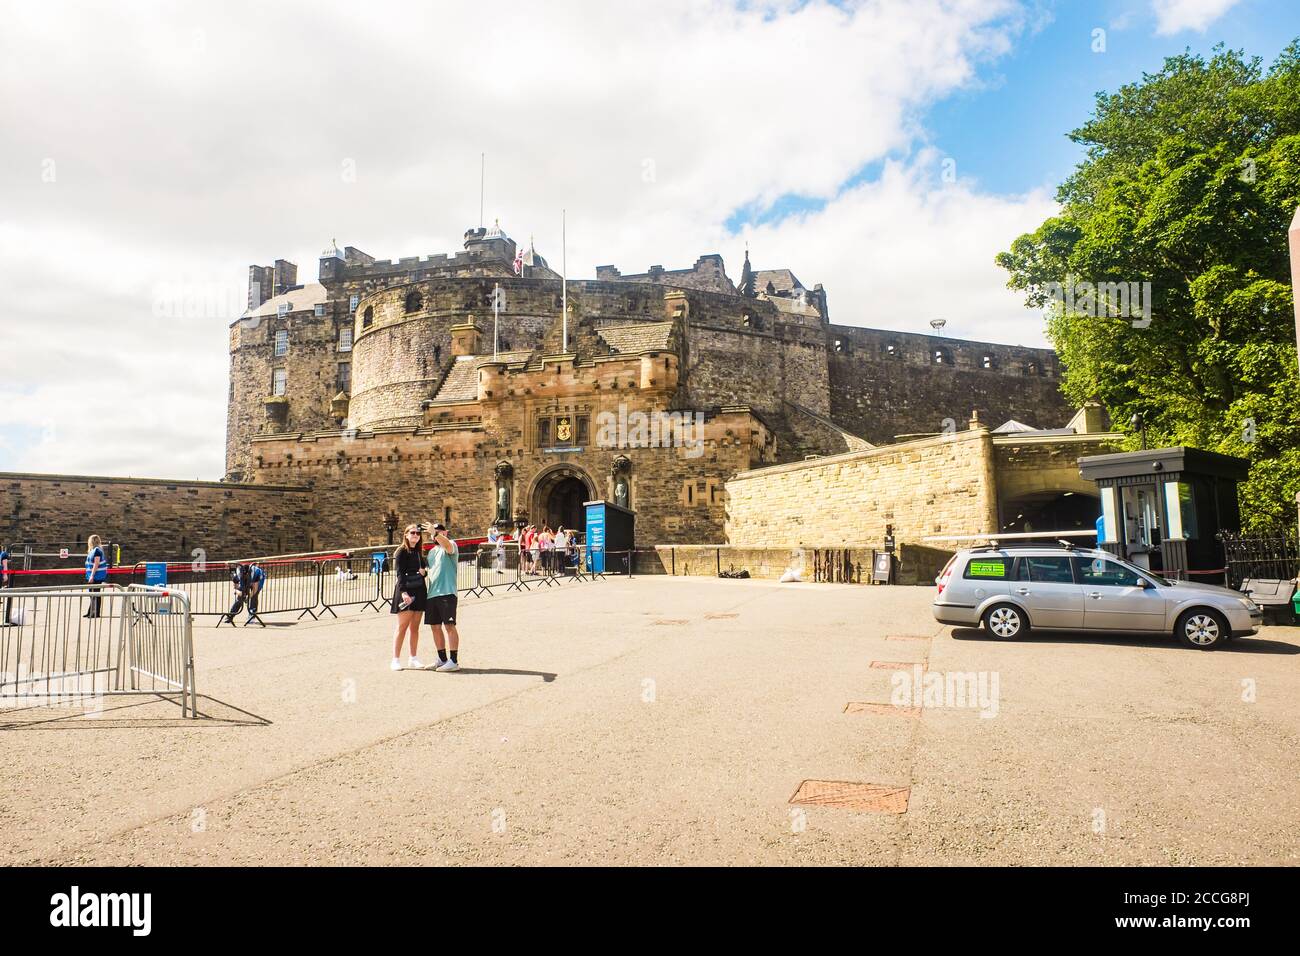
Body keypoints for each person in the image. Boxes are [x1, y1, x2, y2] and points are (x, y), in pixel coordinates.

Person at [424, 522, 461, 672]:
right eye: (434, 531)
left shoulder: (451, 545)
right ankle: (442, 658)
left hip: (447, 592)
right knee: (435, 627)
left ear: (445, 532)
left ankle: (454, 661)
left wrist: (435, 533)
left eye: (439, 531)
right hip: (432, 593)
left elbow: (447, 545)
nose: (436, 534)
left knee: (449, 626)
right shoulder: (432, 552)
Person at [389, 524, 427, 670]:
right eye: (412, 533)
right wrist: (404, 593)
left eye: (418, 533)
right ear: (406, 534)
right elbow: (399, 574)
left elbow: (423, 570)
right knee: (402, 627)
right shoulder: (401, 552)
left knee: (415, 628)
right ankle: (395, 659)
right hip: (406, 591)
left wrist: (424, 573)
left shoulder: (418, 552)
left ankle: (413, 658)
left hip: (419, 590)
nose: (416, 535)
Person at [227, 561, 266, 625]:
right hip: (244, 580)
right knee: (240, 598)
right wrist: (241, 595)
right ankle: (231, 615)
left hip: (258, 580)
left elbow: (255, 589)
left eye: (247, 575)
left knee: (254, 596)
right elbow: (235, 588)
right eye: (244, 576)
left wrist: (249, 597)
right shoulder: (236, 574)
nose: (245, 576)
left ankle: (252, 615)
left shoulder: (256, 572)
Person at [84, 535, 109, 618]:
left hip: (96, 576)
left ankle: (96, 612)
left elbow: (96, 564)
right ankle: (91, 611)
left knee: (95, 594)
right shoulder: (93, 550)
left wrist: (92, 576)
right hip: (94, 575)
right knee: (92, 593)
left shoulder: (97, 551)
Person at [0, 542, 11, 626]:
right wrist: (5, 574)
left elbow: (4, 565)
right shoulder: (3, 554)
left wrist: (5, 574)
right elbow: (5, 565)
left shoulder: (3, 554)